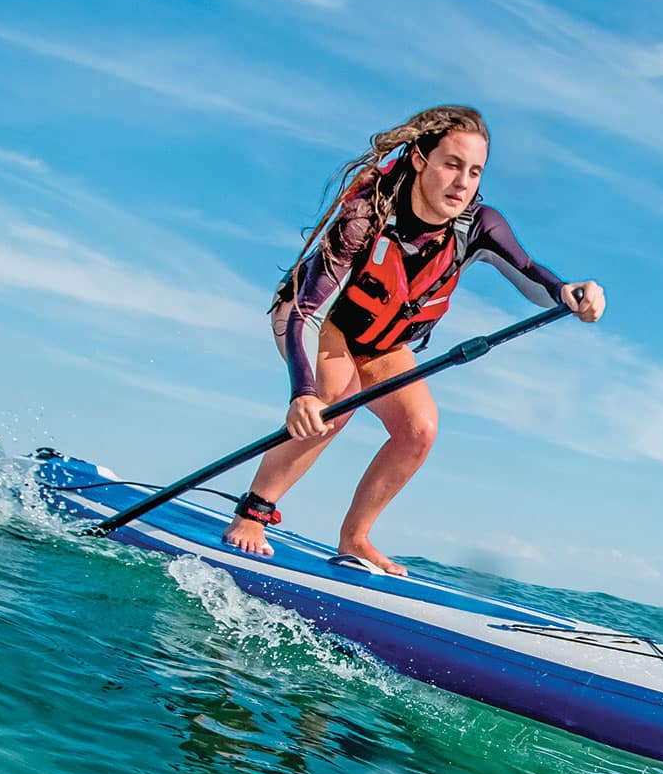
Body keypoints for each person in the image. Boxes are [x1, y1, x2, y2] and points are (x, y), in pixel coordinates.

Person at [222, 105, 606, 573]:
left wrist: (568, 291)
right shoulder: (367, 216)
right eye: (451, 164)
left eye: (474, 171)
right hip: (320, 321)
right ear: (422, 159)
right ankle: (253, 514)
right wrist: (302, 393)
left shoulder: (478, 226)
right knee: (336, 402)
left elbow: (529, 273)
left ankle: (355, 539)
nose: (462, 182)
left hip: (383, 342)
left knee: (420, 429)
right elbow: (307, 310)